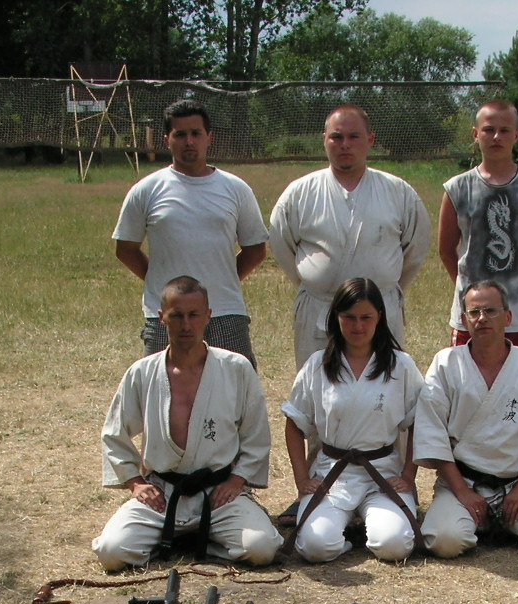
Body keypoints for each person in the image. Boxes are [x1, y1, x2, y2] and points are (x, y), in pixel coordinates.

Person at [92, 277, 282, 570]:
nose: (186, 325)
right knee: (111, 552)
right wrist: (135, 483)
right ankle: (186, 535)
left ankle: (198, 536)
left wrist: (236, 480)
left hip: (218, 493)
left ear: (208, 315)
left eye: (194, 315)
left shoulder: (235, 368)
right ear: (162, 318)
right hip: (163, 494)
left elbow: (255, 434)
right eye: (176, 315)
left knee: (262, 549)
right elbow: (114, 434)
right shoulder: (142, 373)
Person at [415, 281, 518, 558]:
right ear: (464, 319)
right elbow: (432, 434)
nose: (482, 319)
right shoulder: (446, 363)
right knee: (445, 541)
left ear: (508, 317)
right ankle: (480, 522)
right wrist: (462, 492)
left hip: (513, 485)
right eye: (474, 312)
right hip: (461, 484)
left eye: (490, 311)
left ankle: (505, 522)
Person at [269, 105, 431, 370]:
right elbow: (281, 242)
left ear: (370, 140)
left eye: (354, 136)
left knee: (383, 388)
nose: (345, 144)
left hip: (380, 310)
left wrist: (387, 285)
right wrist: (313, 280)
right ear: (324, 139)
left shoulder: (398, 192)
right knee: (319, 388)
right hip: (320, 308)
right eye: (336, 137)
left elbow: (416, 247)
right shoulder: (300, 193)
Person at [112, 99, 269, 363]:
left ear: (209, 138)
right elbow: (126, 248)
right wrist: (162, 285)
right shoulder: (147, 190)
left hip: (224, 311)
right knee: (164, 392)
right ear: (167, 140)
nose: (189, 141)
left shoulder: (235, 189)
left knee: (234, 394)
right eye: (180, 134)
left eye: (196, 133)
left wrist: (222, 278)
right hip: (166, 314)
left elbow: (255, 249)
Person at [283, 278, 427, 564]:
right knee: (314, 547)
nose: (357, 326)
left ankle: (370, 526)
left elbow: (419, 423)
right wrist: (302, 479)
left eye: (366, 317)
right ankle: (346, 538)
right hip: (332, 474)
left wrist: (409, 476)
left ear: (379, 318)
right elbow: (294, 423)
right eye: (349, 317)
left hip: (382, 473)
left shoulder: (400, 366)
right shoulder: (318, 364)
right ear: (336, 317)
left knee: (394, 546)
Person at [438, 100, 518, 364]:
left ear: (516, 135)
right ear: (475, 134)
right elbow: (447, 249)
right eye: (489, 129)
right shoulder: (457, 188)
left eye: (505, 130)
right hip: (473, 314)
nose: (496, 137)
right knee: (468, 388)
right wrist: (470, 290)